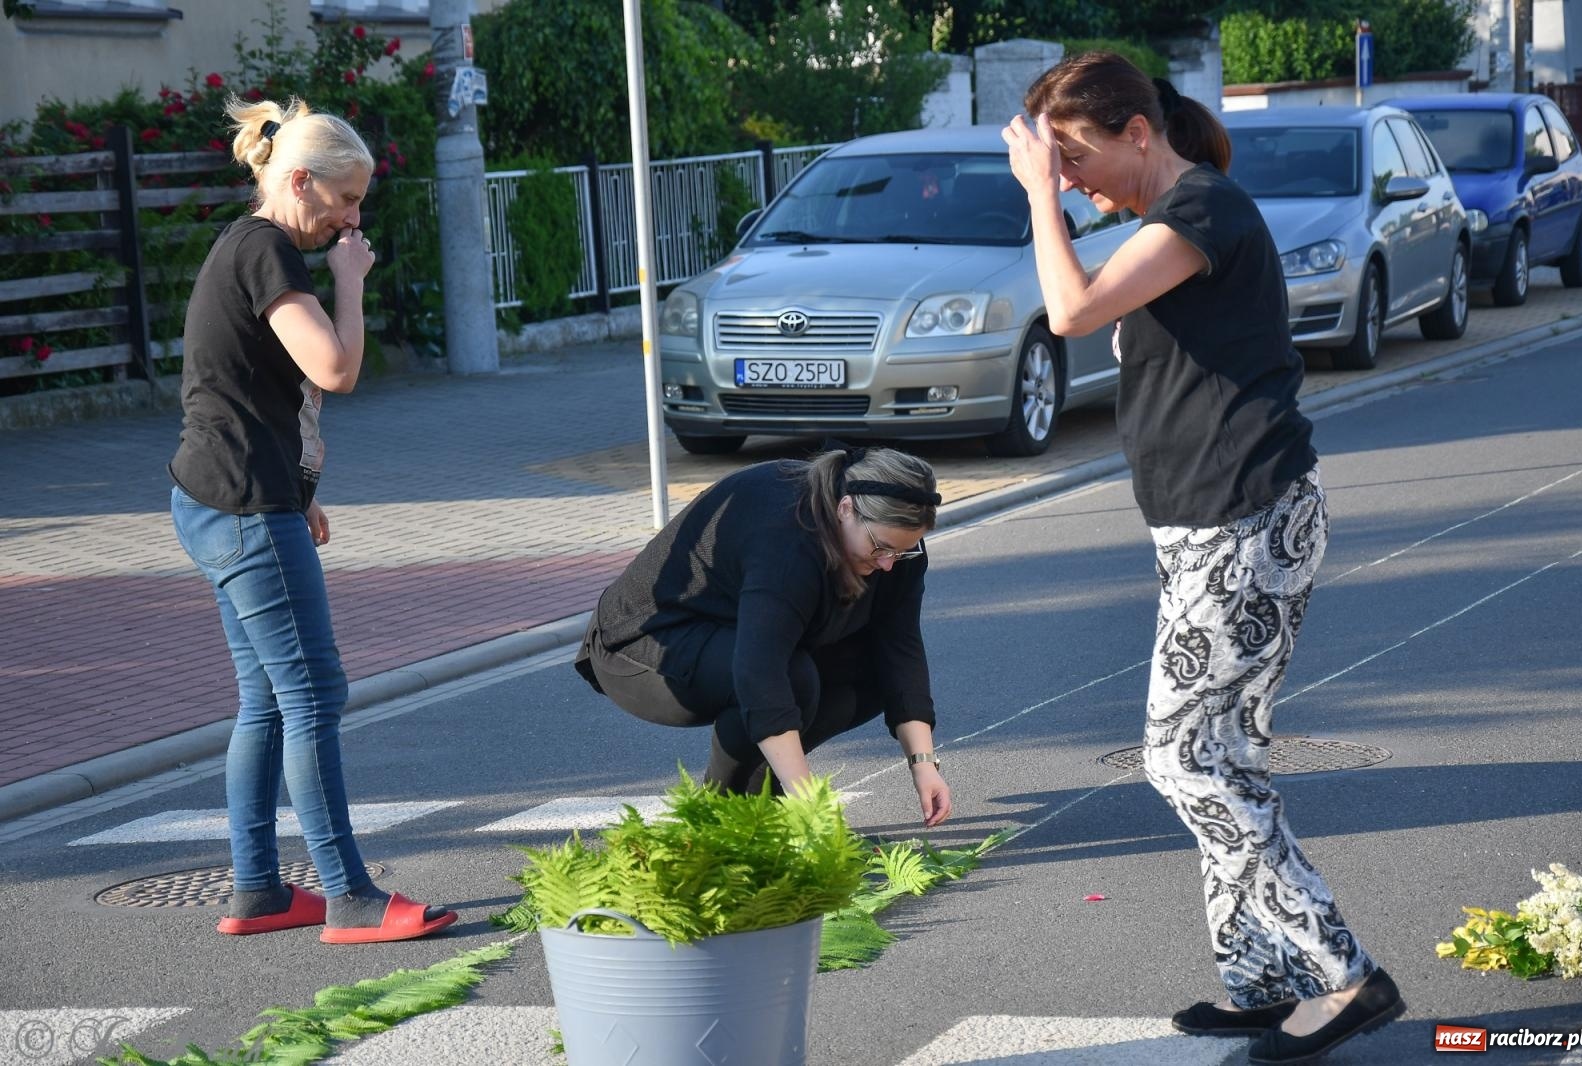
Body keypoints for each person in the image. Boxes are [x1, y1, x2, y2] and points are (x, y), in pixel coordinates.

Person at [1002, 53, 1403, 1062]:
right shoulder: (1172, 216)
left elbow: (1070, 311)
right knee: (1220, 758)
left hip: (1244, 520)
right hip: (1211, 527)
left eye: (1076, 155)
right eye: (1057, 163)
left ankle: (1344, 975)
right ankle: (1263, 982)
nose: (1070, 178)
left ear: (1138, 131)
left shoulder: (1202, 211)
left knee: (1182, 760)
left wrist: (1039, 197)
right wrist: (1059, 186)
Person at [168, 96, 455, 944]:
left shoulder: (246, 246)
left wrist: (300, 492)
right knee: (314, 693)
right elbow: (334, 368)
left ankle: (258, 890)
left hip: (220, 497)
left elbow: (244, 393)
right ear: (299, 182)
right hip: (245, 507)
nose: (352, 218)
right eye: (345, 199)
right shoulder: (267, 252)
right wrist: (350, 284)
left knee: (265, 700)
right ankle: (350, 896)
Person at [575, 446, 953, 827]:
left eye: (900, 552)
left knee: (875, 672)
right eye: (881, 548)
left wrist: (923, 764)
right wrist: (809, 801)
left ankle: (758, 806)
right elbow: (761, 673)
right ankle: (718, 819)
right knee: (791, 679)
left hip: (735, 633)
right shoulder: (787, 540)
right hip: (643, 646)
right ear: (846, 509)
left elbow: (900, 647)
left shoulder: (896, 547)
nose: (887, 563)